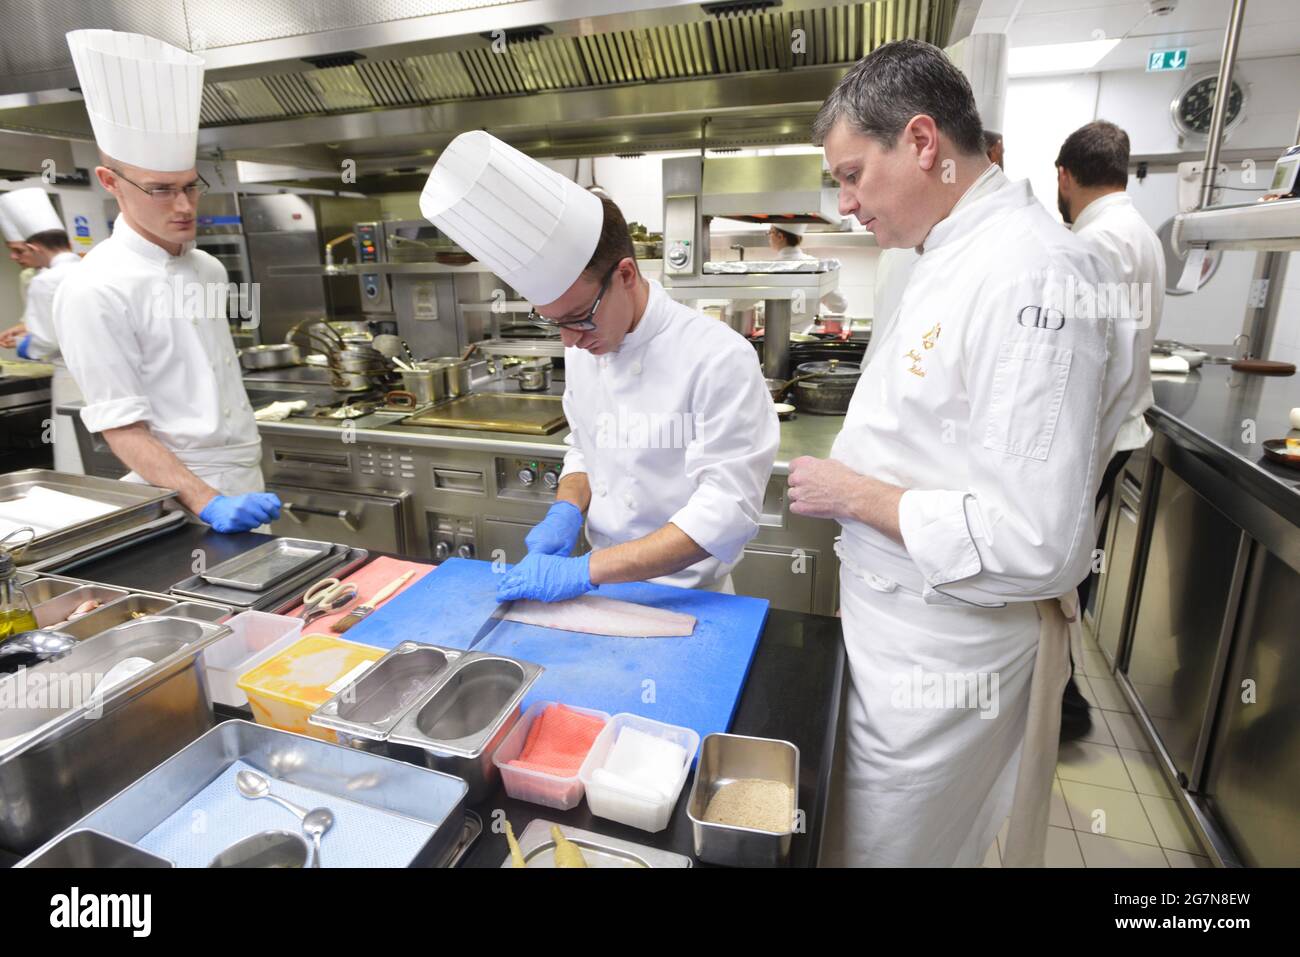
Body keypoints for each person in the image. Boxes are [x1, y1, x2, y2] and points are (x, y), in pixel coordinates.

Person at [791, 39, 1127, 867]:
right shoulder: (946, 252)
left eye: (850, 174)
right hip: (894, 632)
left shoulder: (1032, 274)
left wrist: (855, 494)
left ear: (920, 141)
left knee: (885, 851)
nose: (846, 204)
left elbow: (1039, 545)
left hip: (941, 663)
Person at [419, 132, 778, 601]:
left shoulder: (718, 357)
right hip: (599, 592)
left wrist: (586, 569)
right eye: (554, 324)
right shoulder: (587, 344)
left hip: (690, 598)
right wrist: (567, 507)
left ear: (626, 275)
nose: (569, 340)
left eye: (577, 319)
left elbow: (727, 511)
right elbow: (587, 447)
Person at [54, 29, 278, 532]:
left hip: (246, 480)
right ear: (110, 182)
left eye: (190, 187)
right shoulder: (95, 288)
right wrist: (209, 502)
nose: (183, 207)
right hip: (181, 498)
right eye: (160, 190)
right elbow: (122, 428)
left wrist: (241, 483)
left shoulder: (208, 269)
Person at [1055, 120, 1165, 741]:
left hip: (1103, 437)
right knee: (1079, 564)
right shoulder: (1139, 233)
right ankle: (1063, 695)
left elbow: (1100, 366)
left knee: (1070, 566)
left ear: (1065, 177)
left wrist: (1073, 463)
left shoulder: (1098, 244)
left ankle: (1064, 706)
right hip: (1120, 430)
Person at [0, 188, 85, 472]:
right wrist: (27, 327)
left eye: (18, 251)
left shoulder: (45, 281)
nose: (14, 257)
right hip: (108, 374)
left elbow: (45, 342)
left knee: (77, 453)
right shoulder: (90, 267)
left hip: (70, 377)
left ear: (35, 248)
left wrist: (23, 343)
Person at [765, 222, 850, 318]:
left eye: (770, 232)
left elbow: (745, 303)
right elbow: (840, 306)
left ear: (780, 236)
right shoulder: (817, 266)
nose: (768, 236)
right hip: (807, 332)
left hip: (774, 332)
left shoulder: (769, 268)